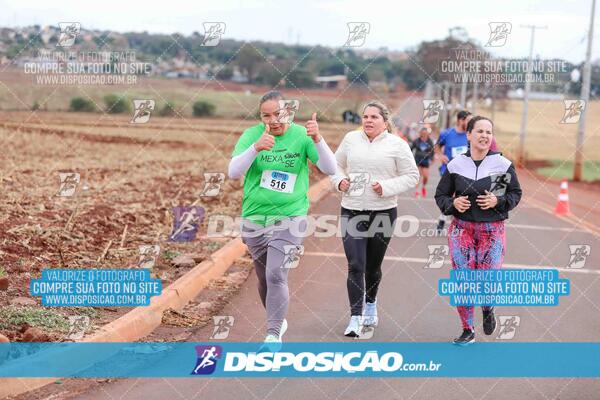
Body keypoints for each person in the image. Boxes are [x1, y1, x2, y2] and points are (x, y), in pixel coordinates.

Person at [228, 91, 337, 347]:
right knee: (265, 276)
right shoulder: (252, 135)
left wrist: (318, 139)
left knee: (277, 273)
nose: (273, 120)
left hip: (291, 216)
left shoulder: (301, 136)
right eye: (266, 115)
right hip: (255, 216)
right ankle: (277, 318)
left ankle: (273, 335)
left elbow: (330, 168)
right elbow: (234, 172)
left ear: (288, 113)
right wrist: (255, 148)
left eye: (277, 114)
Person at [331, 100, 419, 337]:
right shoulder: (351, 139)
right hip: (351, 209)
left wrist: (387, 187)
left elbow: (412, 176)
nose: (368, 120)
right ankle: (355, 318)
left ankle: (371, 302)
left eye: (374, 117)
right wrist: (340, 182)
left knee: (373, 267)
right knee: (355, 264)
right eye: (365, 116)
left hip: (383, 212)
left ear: (385, 121)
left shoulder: (397, 145)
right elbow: (335, 166)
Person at [434, 116, 522, 345]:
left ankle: (488, 305)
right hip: (461, 230)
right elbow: (441, 195)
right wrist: (452, 205)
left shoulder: (501, 165)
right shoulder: (455, 165)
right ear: (469, 135)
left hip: (491, 232)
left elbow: (513, 194)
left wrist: (497, 201)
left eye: (488, 132)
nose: (484, 135)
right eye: (480, 131)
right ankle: (467, 329)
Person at [434, 110, 472, 234]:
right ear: (461, 120)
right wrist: (440, 155)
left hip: (465, 172)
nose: (471, 122)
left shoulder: (470, 135)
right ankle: (444, 218)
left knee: (460, 196)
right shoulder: (447, 133)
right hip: (448, 170)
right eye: (468, 120)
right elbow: (437, 146)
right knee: (449, 195)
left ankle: (448, 221)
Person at [410, 125, 435, 197]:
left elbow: (432, 151)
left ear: (427, 134)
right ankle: (417, 191)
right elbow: (410, 149)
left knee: (426, 177)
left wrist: (431, 158)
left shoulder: (429, 141)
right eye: (422, 133)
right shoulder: (417, 141)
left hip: (426, 161)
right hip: (417, 160)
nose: (424, 134)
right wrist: (410, 158)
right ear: (420, 133)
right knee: (418, 176)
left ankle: (423, 187)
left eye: (425, 133)